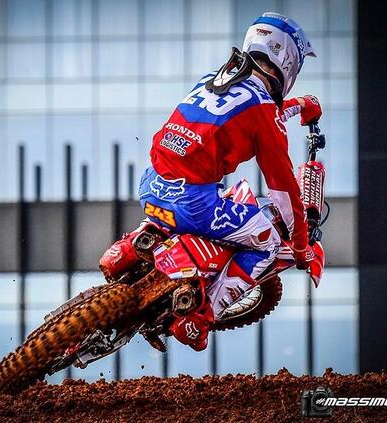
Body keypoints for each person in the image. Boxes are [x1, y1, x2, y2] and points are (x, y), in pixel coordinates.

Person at [138, 12, 323, 350]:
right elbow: (283, 189)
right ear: (287, 59)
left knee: (211, 196)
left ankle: (135, 261)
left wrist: (299, 105)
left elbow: (246, 113)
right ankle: (200, 318)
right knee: (267, 244)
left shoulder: (212, 80)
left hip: (151, 186)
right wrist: (300, 246)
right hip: (194, 205)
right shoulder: (263, 111)